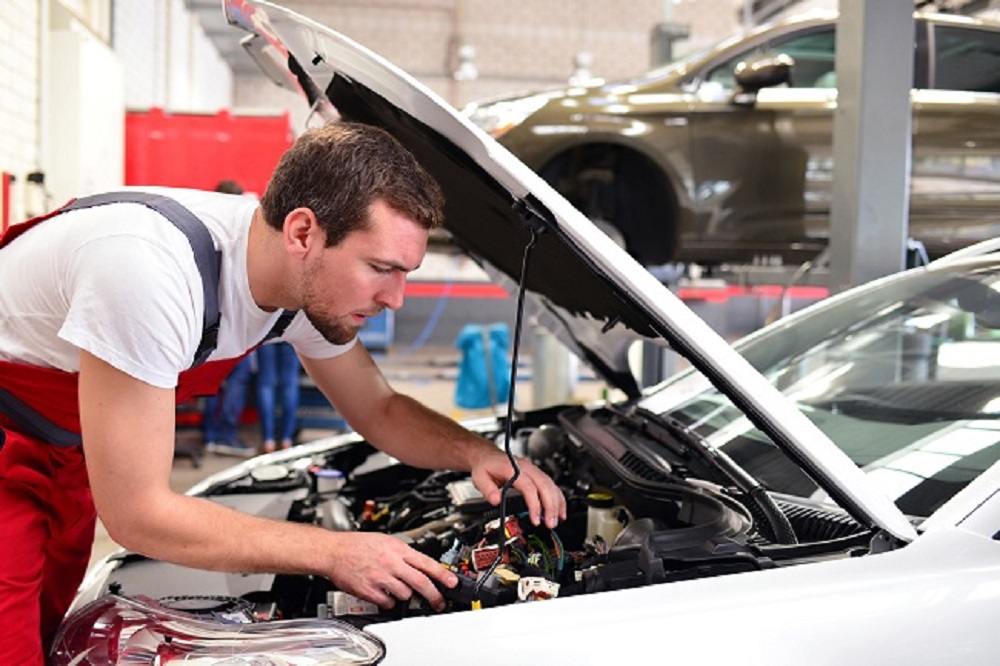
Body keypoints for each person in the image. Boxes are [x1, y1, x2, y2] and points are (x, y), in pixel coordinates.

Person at [0, 121, 567, 663]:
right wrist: (334, 551)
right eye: (380, 268)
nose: (396, 298)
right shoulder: (149, 272)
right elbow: (138, 515)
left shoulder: (294, 284)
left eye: (405, 273)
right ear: (303, 232)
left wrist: (479, 453)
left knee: (55, 638)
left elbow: (379, 407)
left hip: (70, 452)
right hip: (10, 444)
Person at [199, 179, 257, 457]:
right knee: (236, 376)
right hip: (231, 319)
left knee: (211, 379)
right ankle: (224, 434)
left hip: (205, 319)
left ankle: (212, 433)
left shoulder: (200, 230)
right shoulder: (238, 236)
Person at [256, 340, 300, 452]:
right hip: (290, 333)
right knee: (289, 384)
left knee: (266, 384)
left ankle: (268, 440)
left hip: (267, 333)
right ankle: (287, 439)